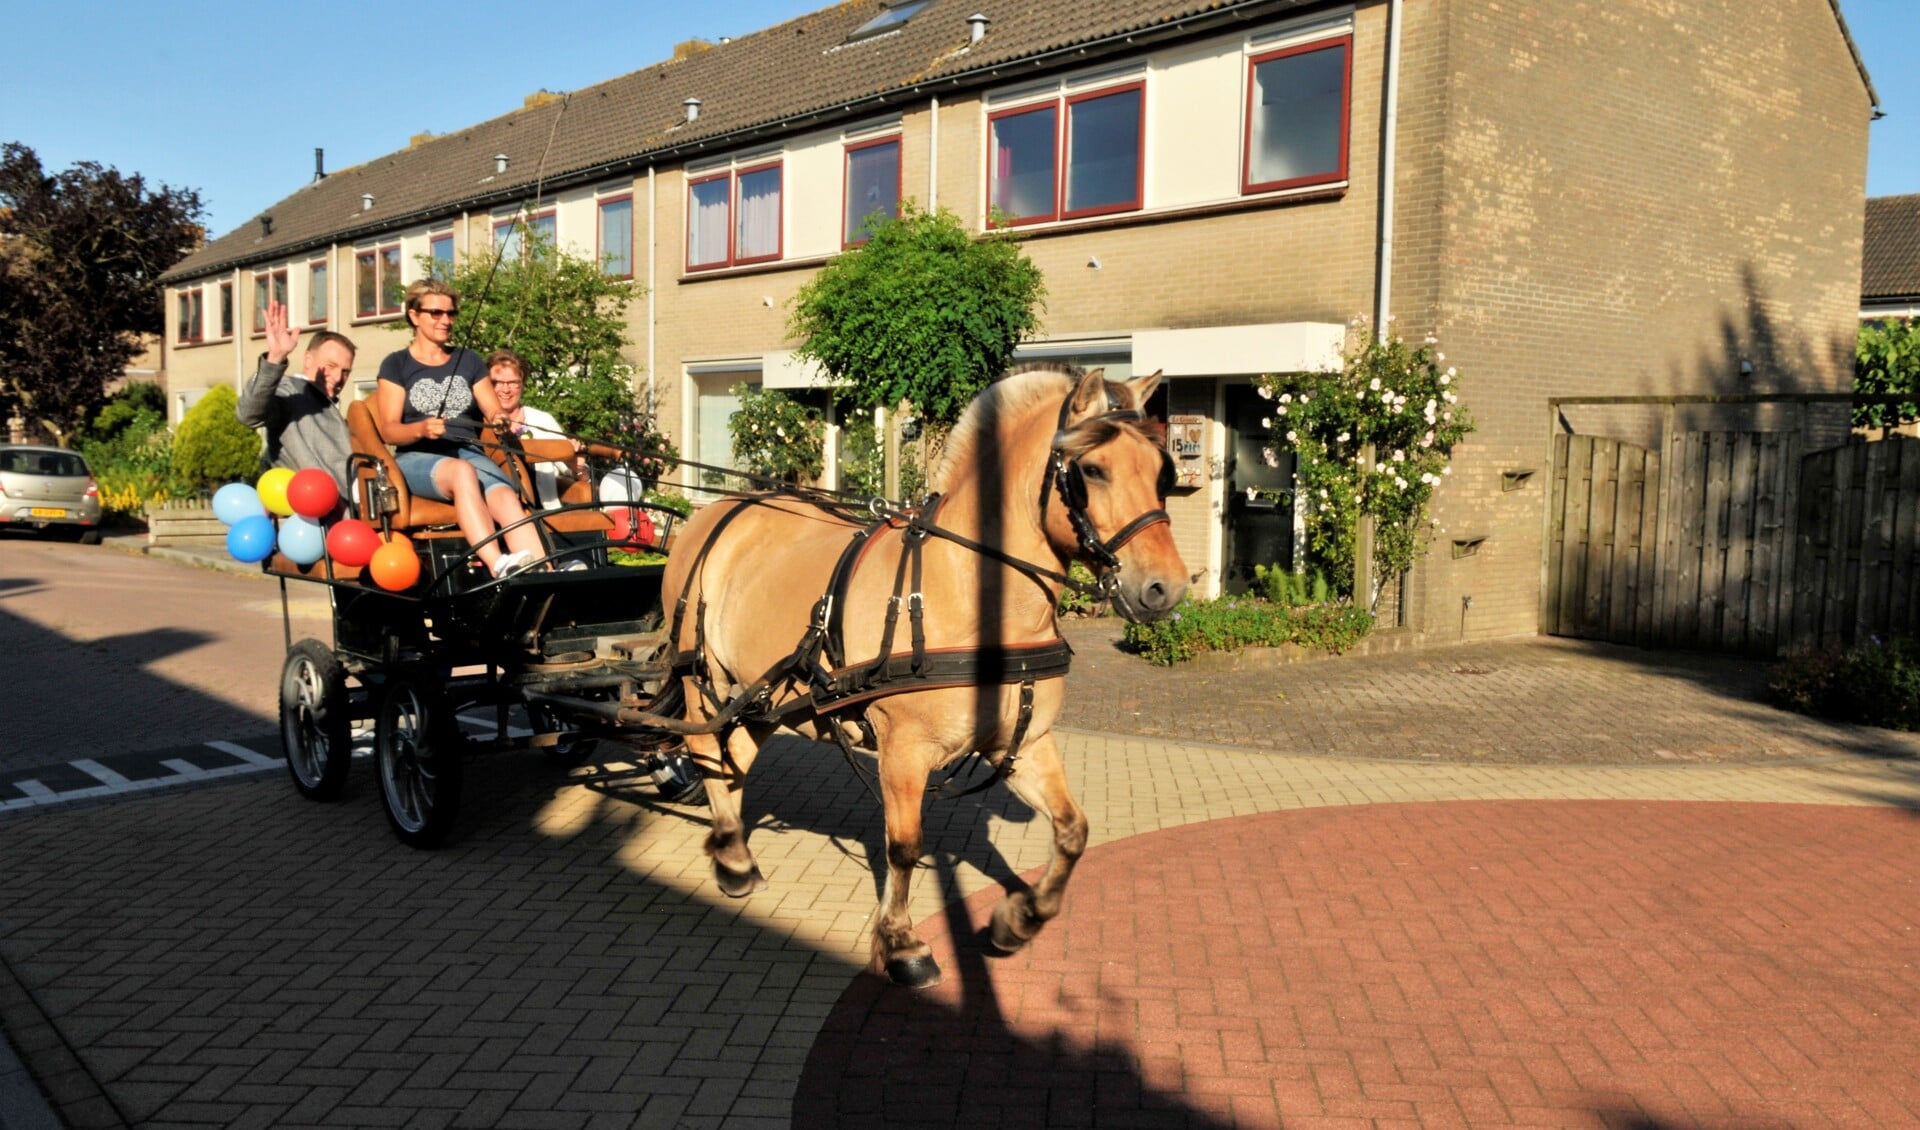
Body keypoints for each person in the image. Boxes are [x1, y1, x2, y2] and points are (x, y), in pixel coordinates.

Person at [373, 279, 545, 578]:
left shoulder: (469, 360)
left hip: (468, 451)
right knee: (461, 472)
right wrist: (422, 429)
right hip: (416, 457)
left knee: (505, 495)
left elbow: (491, 408)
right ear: (414, 316)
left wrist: (498, 419)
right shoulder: (396, 364)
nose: (446, 320)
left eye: (451, 313)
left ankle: (542, 571)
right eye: (436, 313)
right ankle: (498, 564)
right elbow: (389, 430)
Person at [235, 300, 356, 495]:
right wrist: (275, 358)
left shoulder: (330, 406)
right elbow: (249, 414)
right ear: (308, 359)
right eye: (331, 366)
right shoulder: (290, 391)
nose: (338, 377)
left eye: (345, 371)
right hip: (313, 513)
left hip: (349, 514)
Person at [486, 348, 585, 510]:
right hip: (492, 514)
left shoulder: (542, 420)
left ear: (523, 384)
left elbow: (579, 475)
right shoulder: (476, 421)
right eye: (497, 383)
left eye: (513, 383)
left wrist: (577, 467)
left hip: (541, 513)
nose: (505, 390)